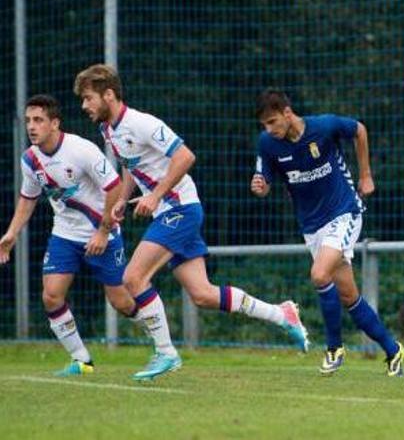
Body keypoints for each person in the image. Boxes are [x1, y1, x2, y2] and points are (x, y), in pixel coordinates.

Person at [74, 65, 308, 381]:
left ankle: (166, 353)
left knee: (133, 277)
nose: (84, 106)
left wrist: (155, 196)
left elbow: (185, 157)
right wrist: (121, 199)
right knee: (203, 294)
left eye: (88, 98)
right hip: (170, 211)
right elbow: (132, 165)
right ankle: (282, 315)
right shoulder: (108, 130)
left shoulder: (141, 123)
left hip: (180, 209)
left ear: (109, 95)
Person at [251, 88, 404, 376]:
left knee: (319, 274)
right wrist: (260, 186)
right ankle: (393, 350)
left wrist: (366, 174)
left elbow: (359, 130)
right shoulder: (267, 144)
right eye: (264, 125)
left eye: (272, 122)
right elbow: (265, 181)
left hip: (344, 212)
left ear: (287, 113)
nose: (269, 129)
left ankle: (334, 348)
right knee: (348, 297)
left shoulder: (323, 126)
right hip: (312, 227)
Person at [0, 94, 135, 376]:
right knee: (51, 296)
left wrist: (102, 232)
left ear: (55, 124)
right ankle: (82, 360)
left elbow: (114, 187)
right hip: (64, 234)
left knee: (122, 303)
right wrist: (11, 233)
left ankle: (163, 344)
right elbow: (28, 198)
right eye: (28, 121)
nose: (31, 126)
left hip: (103, 233)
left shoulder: (81, 150)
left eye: (38, 120)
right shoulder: (30, 160)